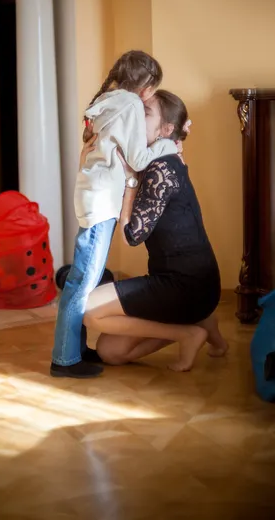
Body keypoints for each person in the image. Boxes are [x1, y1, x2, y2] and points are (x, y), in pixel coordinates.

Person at [51, 51, 178, 379]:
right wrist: (169, 145)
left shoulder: (108, 100)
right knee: (82, 283)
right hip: (102, 202)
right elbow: (137, 157)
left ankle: (75, 350)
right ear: (146, 84)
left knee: (84, 280)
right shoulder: (131, 105)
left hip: (91, 196)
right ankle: (65, 359)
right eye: (153, 88)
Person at [83, 90, 227, 372]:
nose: (137, 117)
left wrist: (130, 184)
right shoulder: (159, 161)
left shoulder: (162, 168)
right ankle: (202, 325)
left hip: (186, 286)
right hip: (189, 285)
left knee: (89, 308)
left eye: (146, 113)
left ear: (166, 129)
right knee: (110, 351)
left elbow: (132, 235)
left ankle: (187, 333)